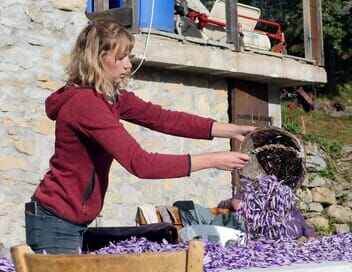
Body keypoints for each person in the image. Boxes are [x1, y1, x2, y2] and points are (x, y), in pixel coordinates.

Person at [25, 19, 256, 254]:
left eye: (129, 56)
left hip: (70, 221)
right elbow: (141, 164)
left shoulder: (110, 97)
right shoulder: (86, 104)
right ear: (97, 58)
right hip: (54, 223)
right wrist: (213, 160)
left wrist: (232, 130)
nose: (128, 64)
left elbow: (164, 118)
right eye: (121, 57)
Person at [217, 192, 317, 241]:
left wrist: (311, 237)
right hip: (267, 244)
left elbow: (306, 228)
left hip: (292, 245)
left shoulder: (293, 211)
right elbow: (235, 204)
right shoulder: (259, 208)